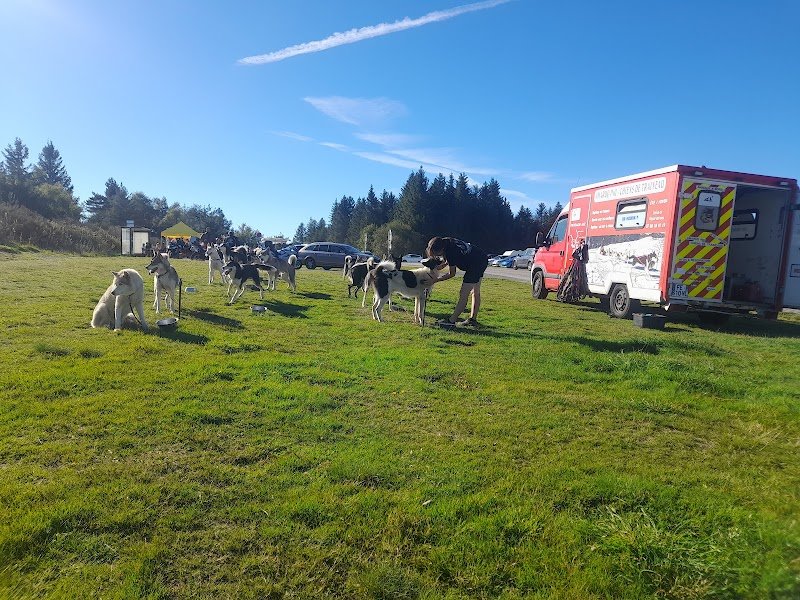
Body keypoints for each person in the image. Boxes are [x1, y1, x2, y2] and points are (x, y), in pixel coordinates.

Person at [426, 236, 489, 327]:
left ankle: (451, 321)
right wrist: (444, 264)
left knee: (464, 294)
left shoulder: (451, 251)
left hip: (476, 264)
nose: (437, 256)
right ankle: (472, 320)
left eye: (437, 254)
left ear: (442, 249)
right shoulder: (446, 241)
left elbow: (452, 274)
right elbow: (453, 257)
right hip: (481, 258)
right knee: (475, 292)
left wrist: (436, 280)